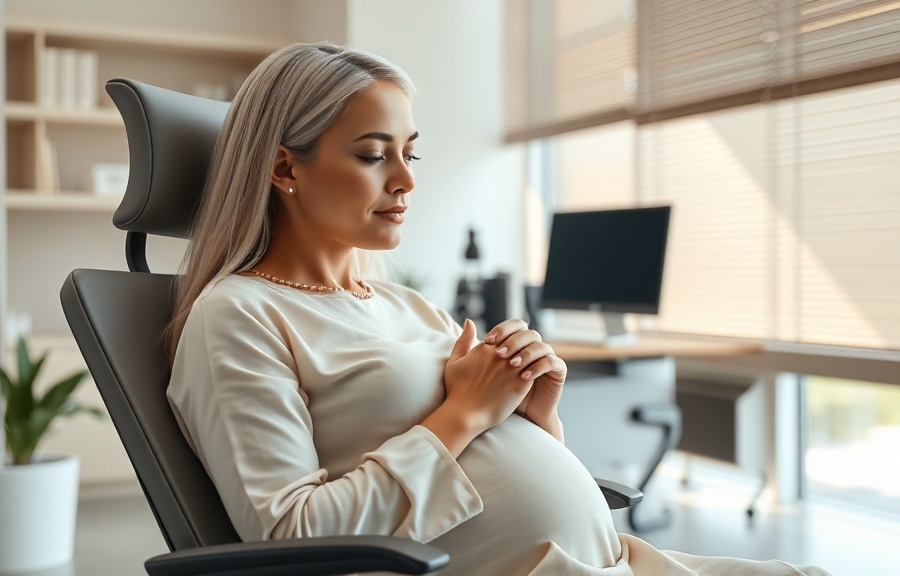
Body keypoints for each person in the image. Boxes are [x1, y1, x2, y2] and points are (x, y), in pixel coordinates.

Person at [166, 42, 830, 576]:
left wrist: (535, 418)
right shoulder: (238, 315)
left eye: (410, 151)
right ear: (286, 167)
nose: (406, 179)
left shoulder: (409, 306)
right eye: (373, 155)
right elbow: (292, 537)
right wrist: (468, 412)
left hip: (615, 561)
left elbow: (490, 471)